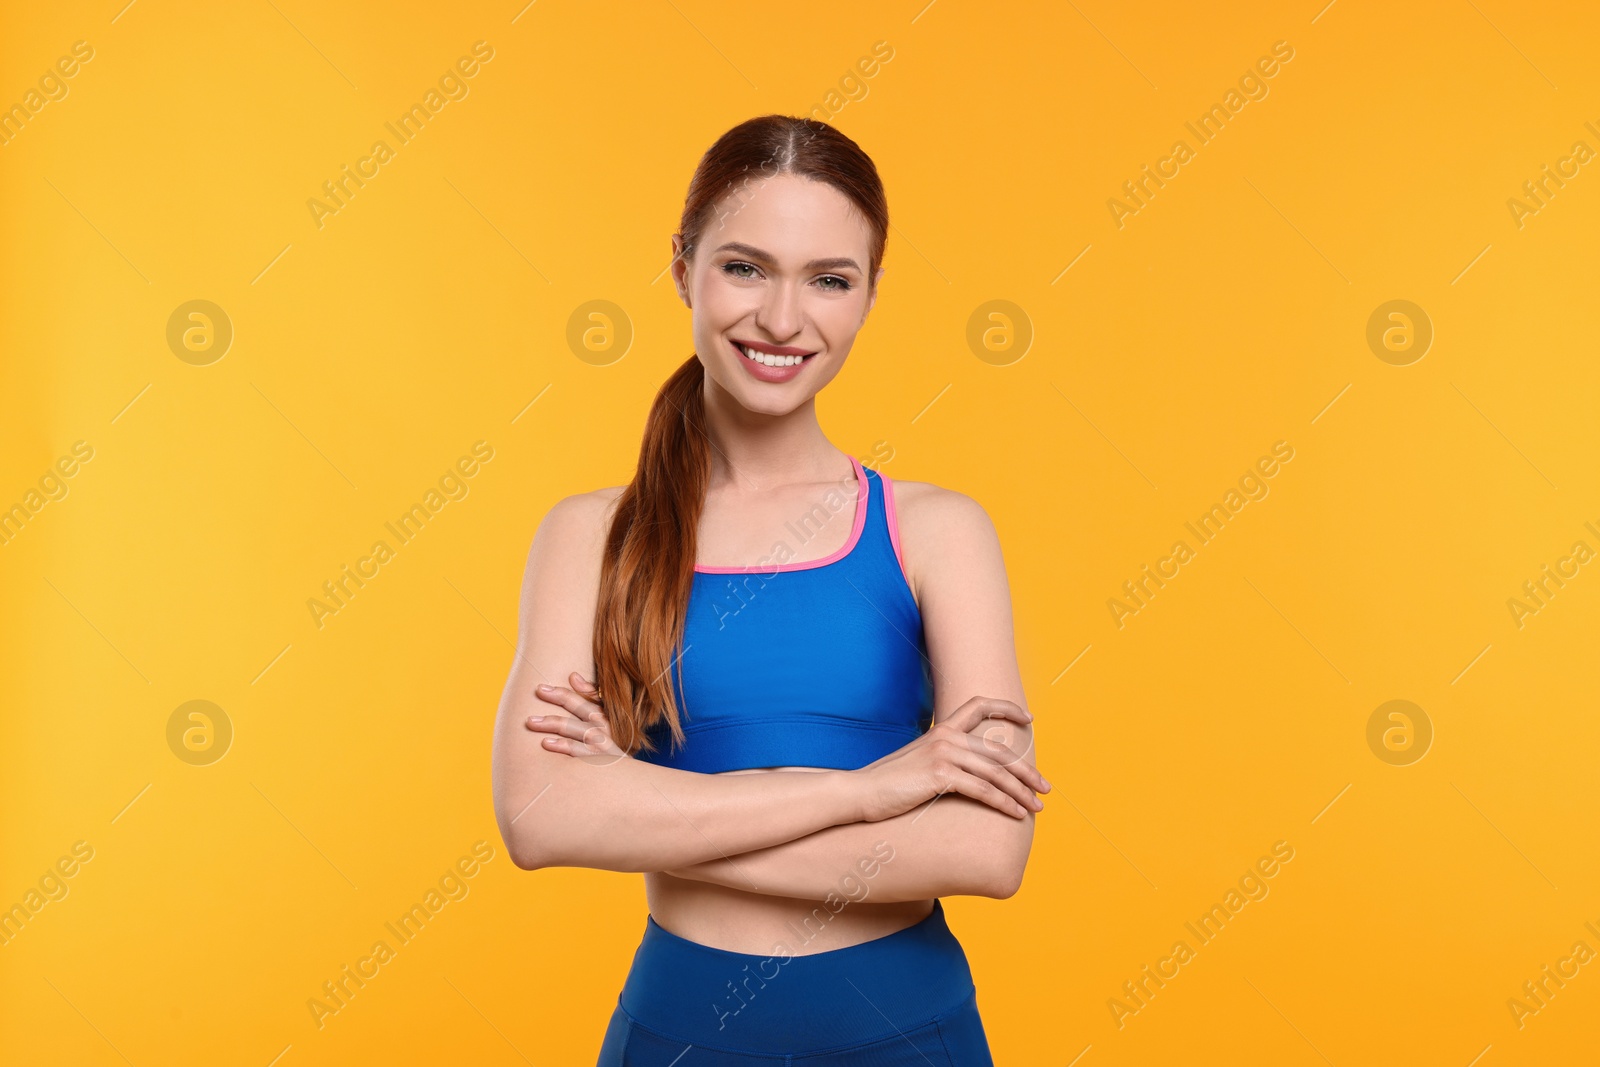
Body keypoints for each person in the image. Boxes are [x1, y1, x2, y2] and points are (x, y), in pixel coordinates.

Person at [490, 114, 1048, 1066]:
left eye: (829, 279)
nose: (783, 320)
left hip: (908, 1035)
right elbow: (539, 821)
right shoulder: (589, 536)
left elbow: (988, 853)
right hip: (677, 1038)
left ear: (870, 295)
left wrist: (637, 809)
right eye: (745, 267)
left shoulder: (941, 533)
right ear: (681, 267)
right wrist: (873, 792)